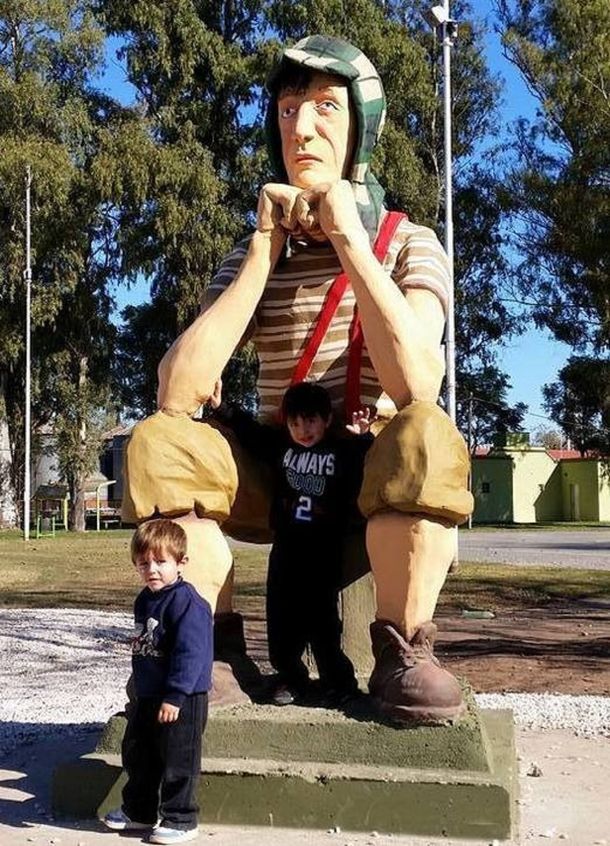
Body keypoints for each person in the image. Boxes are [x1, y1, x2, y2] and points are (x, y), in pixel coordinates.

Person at [122, 34, 474, 725]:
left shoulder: (409, 243)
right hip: (279, 472)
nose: (301, 129)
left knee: (426, 437)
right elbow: (178, 389)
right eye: (286, 110)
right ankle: (212, 646)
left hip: (364, 472)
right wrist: (261, 251)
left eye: (323, 107)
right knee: (160, 441)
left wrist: (350, 240)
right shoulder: (254, 251)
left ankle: (405, 650)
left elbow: (419, 385)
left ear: (360, 128)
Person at [213, 379, 372, 706]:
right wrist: (221, 407)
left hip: (324, 550)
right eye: (295, 422)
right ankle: (291, 678)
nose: (303, 429)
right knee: (282, 618)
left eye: (311, 420)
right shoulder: (280, 447)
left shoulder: (340, 451)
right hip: (286, 549)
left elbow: (362, 466)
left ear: (327, 420)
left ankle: (338, 682)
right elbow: (249, 433)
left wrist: (363, 436)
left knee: (323, 622)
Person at [103, 519, 213, 845]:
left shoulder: (188, 604)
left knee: (178, 758)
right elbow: (144, 647)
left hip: (181, 697)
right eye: (143, 563)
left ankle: (180, 818)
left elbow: (191, 654)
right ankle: (139, 810)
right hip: (148, 695)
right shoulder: (144, 600)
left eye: (160, 561)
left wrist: (175, 695)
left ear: (181, 563)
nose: (151, 569)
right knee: (139, 753)